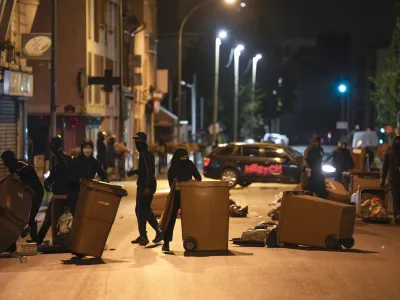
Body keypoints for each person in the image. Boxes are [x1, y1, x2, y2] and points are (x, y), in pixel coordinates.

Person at [1, 150, 44, 247]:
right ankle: (12, 244)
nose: (4, 163)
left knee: (31, 216)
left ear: (10, 159)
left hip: (36, 192)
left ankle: (35, 241)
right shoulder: (12, 168)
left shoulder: (20, 164)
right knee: (18, 217)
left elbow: (28, 169)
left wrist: (18, 172)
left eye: (5, 160)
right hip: (26, 194)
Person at [127, 132, 163, 246]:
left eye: (138, 141)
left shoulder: (144, 154)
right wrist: (135, 171)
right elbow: (145, 170)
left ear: (143, 142)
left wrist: (147, 187)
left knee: (143, 210)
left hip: (145, 185)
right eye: (135, 141)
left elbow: (148, 172)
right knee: (140, 210)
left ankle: (158, 231)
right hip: (145, 184)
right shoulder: (145, 153)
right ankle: (143, 235)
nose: (136, 144)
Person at [162, 147, 202, 252]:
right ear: (177, 157)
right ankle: (166, 242)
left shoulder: (189, 164)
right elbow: (172, 183)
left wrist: (190, 182)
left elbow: (198, 177)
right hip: (177, 195)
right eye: (182, 157)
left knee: (191, 218)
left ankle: (194, 239)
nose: (185, 159)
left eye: (186, 157)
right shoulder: (173, 167)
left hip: (188, 195)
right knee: (171, 218)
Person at [36, 136, 73, 246]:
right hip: (57, 193)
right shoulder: (54, 159)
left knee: (65, 218)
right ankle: (38, 240)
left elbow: (69, 172)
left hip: (65, 194)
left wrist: (61, 157)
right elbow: (53, 174)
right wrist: (48, 182)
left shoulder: (66, 158)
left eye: (55, 145)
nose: (53, 147)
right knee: (49, 217)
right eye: (51, 145)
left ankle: (67, 239)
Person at [68, 139, 109, 215]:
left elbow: (103, 175)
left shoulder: (95, 162)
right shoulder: (76, 160)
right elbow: (71, 176)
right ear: (82, 149)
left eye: (89, 147)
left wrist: (105, 182)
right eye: (85, 147)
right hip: (77, 190)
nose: (87, 150)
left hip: (89, 191)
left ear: (92, 149)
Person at [381, 136, 400, 225]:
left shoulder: (389, 153)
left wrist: (383, 181)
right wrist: (383, 180)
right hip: (393, 180)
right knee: (396, 198)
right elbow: (385, 168)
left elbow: (385, 169)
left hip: (393, 179)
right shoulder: (389, 153)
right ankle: (397, 216)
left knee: (396, 198)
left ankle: (397, 215)